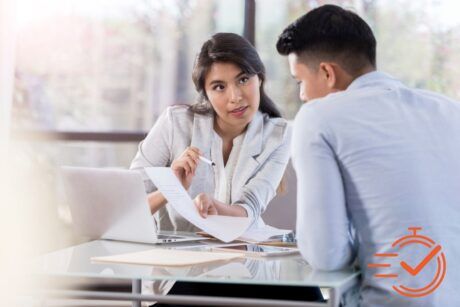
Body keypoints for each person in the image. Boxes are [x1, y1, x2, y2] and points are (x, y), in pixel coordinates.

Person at [276, 4, 460, 307]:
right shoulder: (449, 110)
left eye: (300, 82)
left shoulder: (318, 117)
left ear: (326, 72)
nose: (303, 95)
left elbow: (326, 254)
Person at [131, 32, 291, 231]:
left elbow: (251, 207)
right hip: (176, 257)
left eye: (243, 80)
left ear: (259, 78)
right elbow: (128, 207)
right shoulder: (174, 123)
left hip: (243, 253)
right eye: (219, 87)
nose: (235, 97)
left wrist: (215, 206)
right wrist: (171, 189)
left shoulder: (279, 135)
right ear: (206, 93)